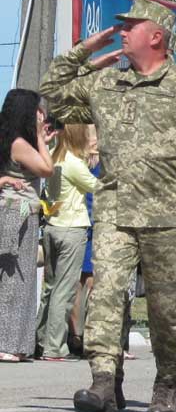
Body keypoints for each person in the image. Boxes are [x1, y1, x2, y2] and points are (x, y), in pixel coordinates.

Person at [40, 0, 176, 412]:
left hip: (167, 213)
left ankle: (167, 380)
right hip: (113, 210)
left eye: (130, 26)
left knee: (164, 305)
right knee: (105, 293)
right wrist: (86, 49)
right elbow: (51, 89)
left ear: (156, 36)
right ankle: (104, 379)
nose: (121, 31)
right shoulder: (106, 84)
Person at [36, 123, 101, 360]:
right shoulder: (74, 163)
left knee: (50, 288)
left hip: (53, 226)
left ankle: (41, 339)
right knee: (64, 290)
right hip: (72, 228)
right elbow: (97, 186)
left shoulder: (54, 157)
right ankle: (55, 346)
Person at [0, 90, 55, 363]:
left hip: (23, 212)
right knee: (15, 280)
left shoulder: (15, 140)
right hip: (16, 213)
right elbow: (47, 169)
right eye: (37, 110)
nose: (41, 114)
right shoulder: (20, 143)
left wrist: (41, 138)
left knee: (22, 280)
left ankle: (17, 343)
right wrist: (41, 141)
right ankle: (8, 342)